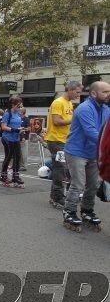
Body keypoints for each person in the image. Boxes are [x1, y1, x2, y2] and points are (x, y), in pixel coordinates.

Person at [62, 81, 110, 231]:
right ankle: (69, 211)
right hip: (77, 151)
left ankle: (87, 210)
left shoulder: (106, 110)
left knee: (94, 184)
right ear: (94, 93)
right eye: (106, 92)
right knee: (78, 184)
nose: (109, 94)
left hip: (93, 153)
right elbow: (92, 133)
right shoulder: (84, 108)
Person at [45, 81, 81, 209]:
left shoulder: (69, 103)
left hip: (65, 141)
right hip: (56, 141)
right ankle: (57, 197)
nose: (78, 95)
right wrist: (74, 119)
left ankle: (56, 195)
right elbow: (56, 121)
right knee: (60, 169)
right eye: (77, 92)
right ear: (70, 90)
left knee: (63, 169)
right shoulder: (58, 102)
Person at [0, 97, 26, 188]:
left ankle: (15, 176)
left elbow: (18, 125)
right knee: (9, 156)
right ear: (13, 105)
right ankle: (3, 176)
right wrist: (14, 130)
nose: (20, 107)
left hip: (16, 138)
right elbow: (3, 127)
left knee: (17, 156)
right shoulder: (7, 114)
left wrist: (21, 130)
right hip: (7, 138)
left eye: (20, 105)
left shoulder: (18, 114)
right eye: (18, 105)